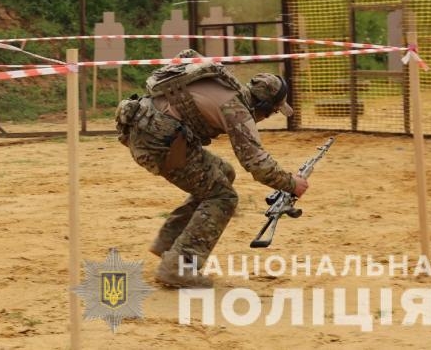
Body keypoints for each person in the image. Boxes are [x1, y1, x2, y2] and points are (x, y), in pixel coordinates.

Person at [115, 49, 308, 288]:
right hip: (158, 143)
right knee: (223, 196)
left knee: (223, 173)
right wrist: (292, 183)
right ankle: (178, 266)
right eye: (272, 111)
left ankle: (169, 241)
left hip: (144, 129)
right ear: (264, 106)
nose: (268, 117)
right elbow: (257, 164)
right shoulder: (237, 110)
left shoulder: (226, 87)